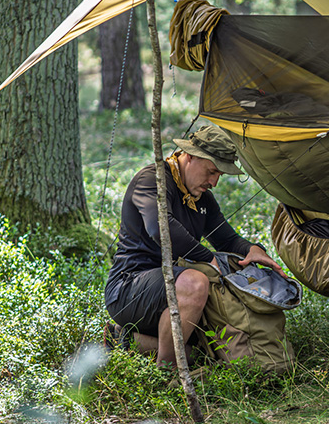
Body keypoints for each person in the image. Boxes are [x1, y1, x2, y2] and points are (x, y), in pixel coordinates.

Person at [104, 124, 284, 368]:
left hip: (172, 291)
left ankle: (125, 339)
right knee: (196, 282)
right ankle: (168, 371)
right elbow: (160, 228)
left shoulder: (203, 199)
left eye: (219, 175)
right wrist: (207, 259)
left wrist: (252, 249)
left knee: (210, 355)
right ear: (190, 156)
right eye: (211, 171)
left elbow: (227, 239)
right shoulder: (151, 179)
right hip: (128, 289)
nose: (214, 182)